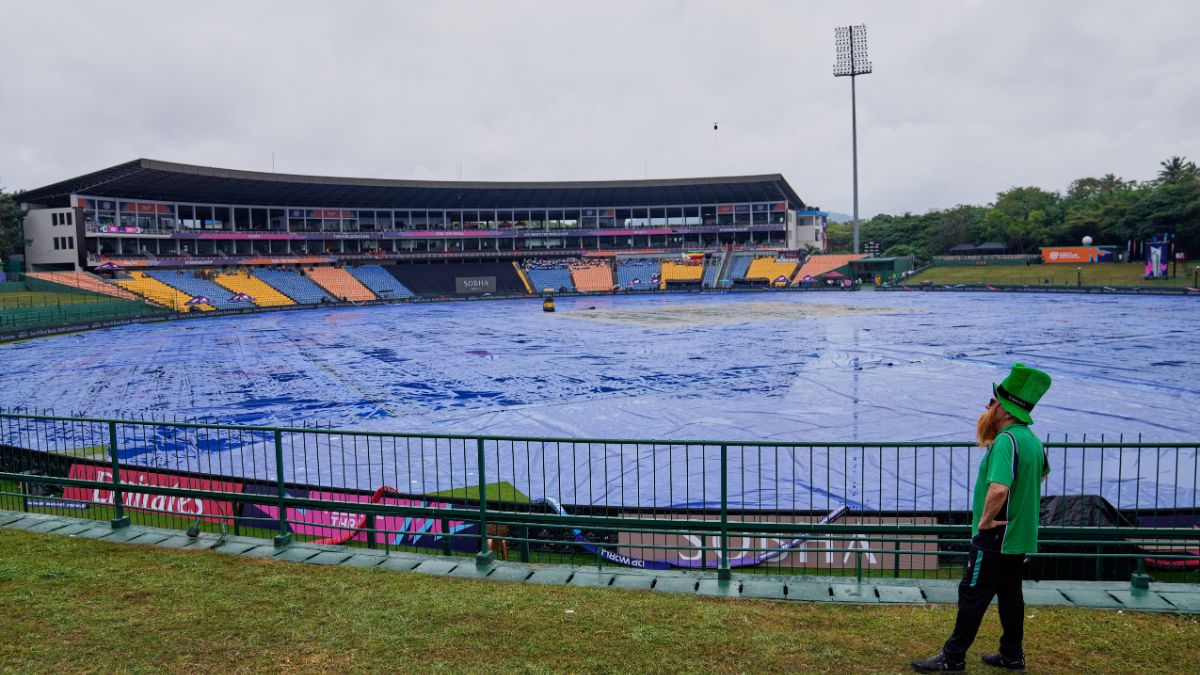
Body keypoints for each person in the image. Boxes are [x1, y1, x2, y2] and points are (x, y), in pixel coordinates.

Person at [912, 363, 1052, 673]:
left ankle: (953, 657)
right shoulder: (1032, 441)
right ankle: (1012, 655)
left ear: (1005, 411)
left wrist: (986, 521)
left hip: (996, 536)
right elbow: (1039, 476)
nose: (986, 407)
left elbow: (1000, 489)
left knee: (972, 594)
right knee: (1011, 596)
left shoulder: (1006, 441)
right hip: (1019, 534)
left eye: (992, 402)